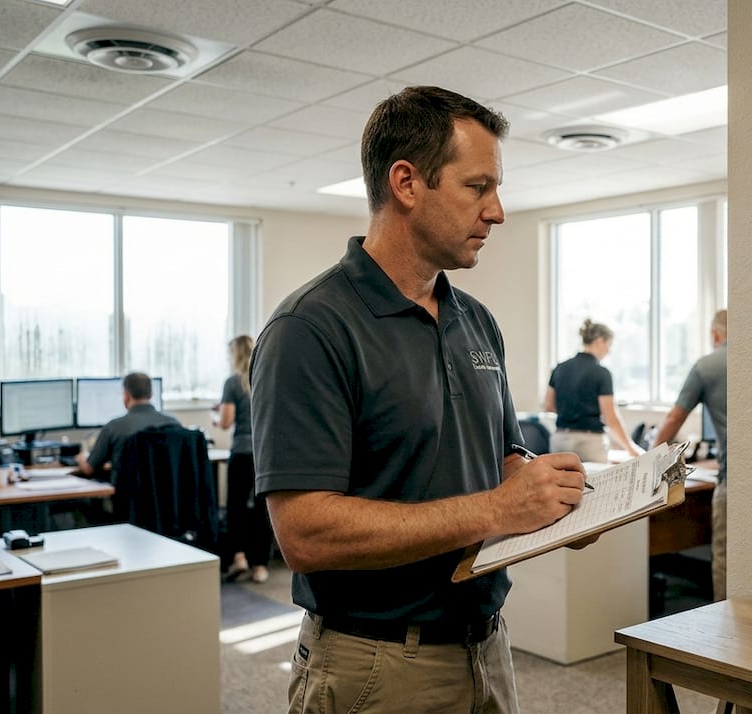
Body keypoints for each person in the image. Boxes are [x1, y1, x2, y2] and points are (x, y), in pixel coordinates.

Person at [251, 86, 589, 714]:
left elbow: (503, 454)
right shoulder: (310, 328)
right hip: (375, 662)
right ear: (406, 183)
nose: (498, 212)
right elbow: (304, 533)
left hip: (487, 647)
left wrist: (553, 500)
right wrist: (497, 509)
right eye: (477, 187)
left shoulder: (476, 320)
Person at [651, 309, 728, 600]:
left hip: (731, 480)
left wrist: (649, 459)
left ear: (715, 334)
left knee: (725, 558)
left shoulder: (707, 367)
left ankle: (723, 635)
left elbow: (673, 420)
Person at [543, 319, 643, 463]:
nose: (609, 351)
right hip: (591, 442)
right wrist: (631, 448)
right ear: (599, 341)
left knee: (563, 484)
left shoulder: (559, 368)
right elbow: (610, 417)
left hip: (561, 439)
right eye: (609, 345)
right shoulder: (601, 373)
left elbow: (549, 406)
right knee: (595, 485)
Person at [216, 335, 272, 584]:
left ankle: (239, 558)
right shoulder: (267, 378)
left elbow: (226, 422)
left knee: (235, 508)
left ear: (235, 355)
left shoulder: (232, 383)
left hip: (240, 451)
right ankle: (261, 566)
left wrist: (215, 418)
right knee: (264, 510)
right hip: (265, 453)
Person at [76, 372, 179, 481]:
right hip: (165, 495)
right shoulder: (173, 424)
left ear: (126, 395)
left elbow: (89, 469)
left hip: (128, 495)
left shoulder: (114, 427)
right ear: (151, 394)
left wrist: (80, 458)